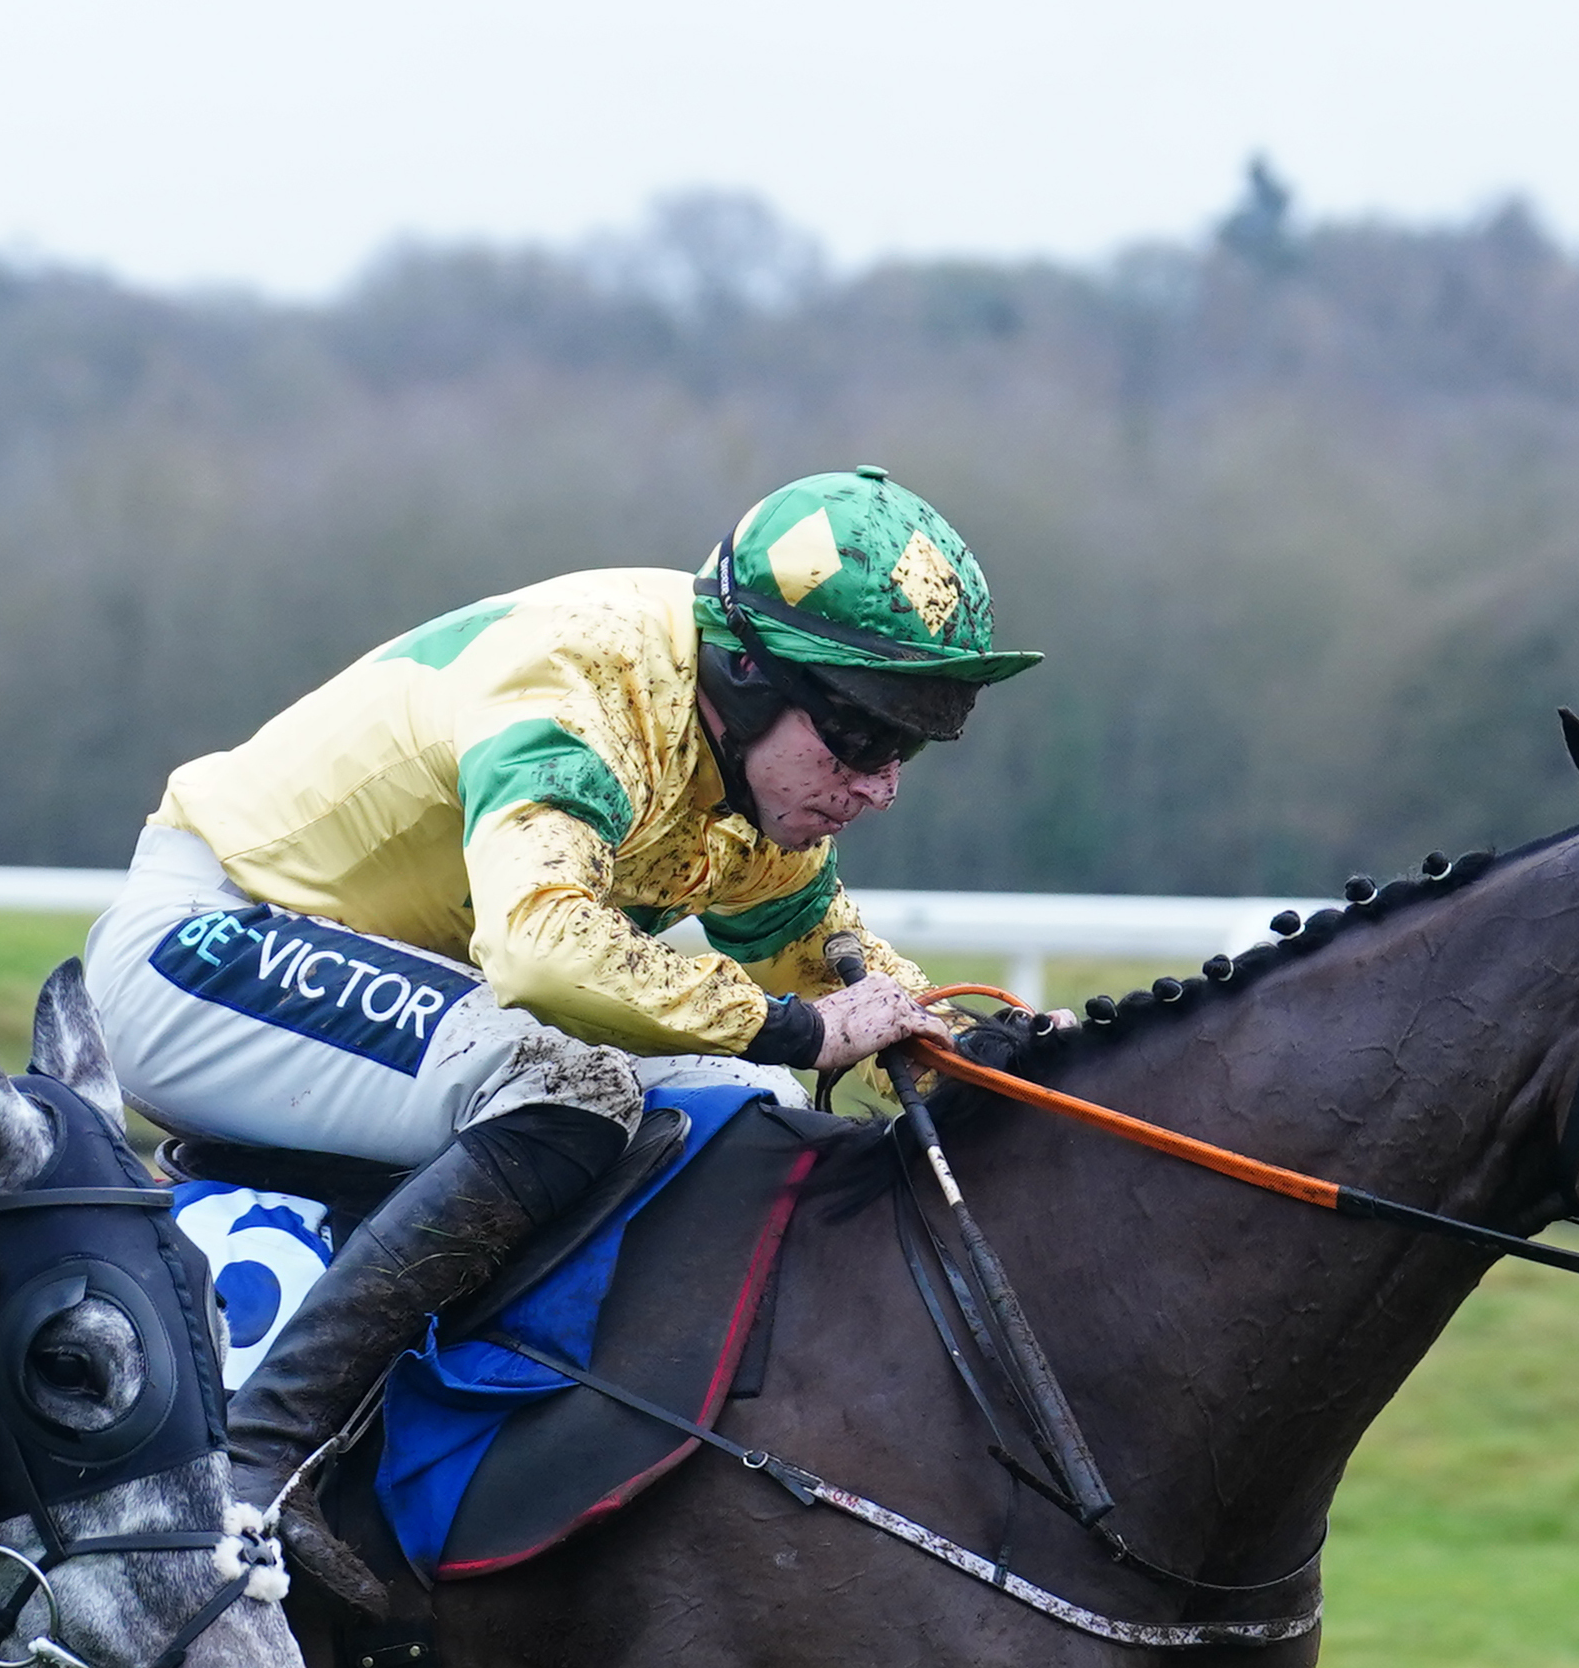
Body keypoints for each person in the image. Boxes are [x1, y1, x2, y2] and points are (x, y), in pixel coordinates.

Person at [78, 466, 1036, 1598]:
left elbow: (821, 958)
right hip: (210, 945)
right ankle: (259, 1469)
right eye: (861, 739)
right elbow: (544, 952)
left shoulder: (750, 770)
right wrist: (789, 1026)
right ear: (748, 670)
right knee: (568, 1084)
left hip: (399, 984)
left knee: (754, 1109)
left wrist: (982, 1052)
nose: (878, 788)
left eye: (907, 749)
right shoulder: (583, 678)